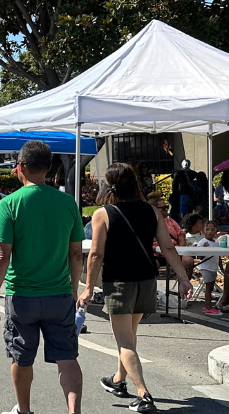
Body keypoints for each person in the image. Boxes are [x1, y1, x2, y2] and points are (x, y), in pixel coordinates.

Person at [79, 163, 192, 413]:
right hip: (146, 280)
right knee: (130, 334)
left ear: (108, 186)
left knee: (124, 342)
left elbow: (96, 254)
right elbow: (168, 248)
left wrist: (87, 288)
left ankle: (143, 393)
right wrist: (183, 278)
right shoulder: (152, 212)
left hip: (119, 281)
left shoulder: (103, 214)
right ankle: (118, 380)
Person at [0, 141, 84, 414]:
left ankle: (25, 410)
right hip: (59, 293)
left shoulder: (9, 204)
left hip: (23, 296)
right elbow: (76, 254)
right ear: (49, 167)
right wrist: (73, 289)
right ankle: (73, 411)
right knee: (67, 357)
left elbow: (0, 255)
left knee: (21, 356)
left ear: (21, 167)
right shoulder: (67, 203)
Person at [193, 219, 225, 316]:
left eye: (212, 230)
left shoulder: (216, 243)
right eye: (207, 229)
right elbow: (200, 257)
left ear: (216, 231)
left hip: (213, 268)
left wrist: (221, 269)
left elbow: (218, 256)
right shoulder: (202, 242)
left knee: (210, 287)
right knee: (208, 287)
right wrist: (204, 249)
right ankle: (208, 307)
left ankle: (208, 305)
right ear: (203, 231)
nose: (210, 232)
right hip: (206, 267)